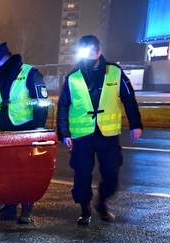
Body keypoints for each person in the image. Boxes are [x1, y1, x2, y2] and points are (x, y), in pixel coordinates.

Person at [56, 35, 143, 226]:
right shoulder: (73, 77)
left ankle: (102, 202)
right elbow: (63, 106)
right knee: (82, 173)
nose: (87, 56)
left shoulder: (114, 72)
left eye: (90, 52)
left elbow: (129, 99)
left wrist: (135, 124)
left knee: (111, 172)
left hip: (107, 135)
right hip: (82, 135)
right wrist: (64, 133)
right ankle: (85, 209)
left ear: (99, 52)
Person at [0, 42, 50, 224]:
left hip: (24, 131)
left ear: (5, 58)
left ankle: (26, 210)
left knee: (26, 173)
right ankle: (9, 208)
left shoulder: (29, 73)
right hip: (1, 132)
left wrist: (38, 130)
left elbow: (41, 102)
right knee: (6, 174)